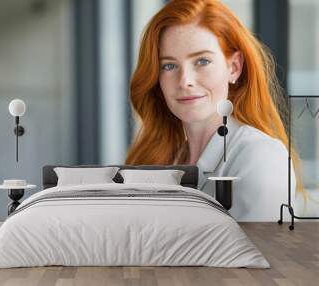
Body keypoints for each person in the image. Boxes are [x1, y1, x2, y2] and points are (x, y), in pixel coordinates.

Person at [125, 0, 301, 221]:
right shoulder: (164, 159)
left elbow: (254, 254)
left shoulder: (262, 158)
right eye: (169, 65)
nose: (185, 81)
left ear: (234, 67)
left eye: (202, 61)